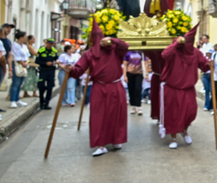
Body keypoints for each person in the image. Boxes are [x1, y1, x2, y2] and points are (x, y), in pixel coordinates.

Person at [64, 19, 129, 156]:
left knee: (117, 114)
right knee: (98, 116)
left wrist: (113, 40)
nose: (99, 40)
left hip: (116, 86)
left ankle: (116, 139)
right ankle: (101, 144)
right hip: (99, 87)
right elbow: (78, 70)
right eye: (96, 37)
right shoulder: (88, 54)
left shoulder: (115, 50)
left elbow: (125, 46)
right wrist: (70, 69)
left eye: (101, 36)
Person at [160, 25, 211, 149]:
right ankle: (173, 138)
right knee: (173, 114)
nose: (188, 44)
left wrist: (209, 64)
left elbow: (204, 65)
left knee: (190, 112)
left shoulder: (196, 52)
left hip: (188, 89)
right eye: (186, 41)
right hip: (172, 88)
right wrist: (176, 44)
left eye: (190, 42)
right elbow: (165, 55)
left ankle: (185, 130)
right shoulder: (175, 50)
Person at [35, 38, 58, 110]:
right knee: (41, 87)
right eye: (49, 43)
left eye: (52, 43)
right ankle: (41, 102)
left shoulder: (54, 51)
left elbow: (57, 59)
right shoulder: (41, 50)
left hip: (51, 71)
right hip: (43, 71)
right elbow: (37, 61)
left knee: (50, 87)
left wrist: (55, 62)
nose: (51, 45)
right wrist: (45, 63)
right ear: (46, 43)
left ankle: (46, 103)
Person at [9, 30, 29, 109]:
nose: (26, 38)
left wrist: (26, 62)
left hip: (24, 65)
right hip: (17, 65)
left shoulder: (24, 46)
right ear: (21, 37)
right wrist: (22, 63)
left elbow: (27, 55)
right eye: (25, 37)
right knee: (15, 83)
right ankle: (13, 100)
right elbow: (16, 56)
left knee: (21, 83)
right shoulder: (15, 45)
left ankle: (17, 99)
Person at [123, 49, 147, 115]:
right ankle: (133, 106)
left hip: (139, 73)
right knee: (131, 89)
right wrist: (125, 76)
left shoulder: (141, 53)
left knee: (138, 89)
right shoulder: (128, 53)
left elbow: (145, 63)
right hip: (130, 73)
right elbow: (125, 65)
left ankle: (139, 107)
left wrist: (146, 73)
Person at [0, 23, 13, 109]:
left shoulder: (8, 41)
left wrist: (10, 68)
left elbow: (9, 56)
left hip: (3, 65)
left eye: (10, 28)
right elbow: (2, 57)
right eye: (7, 27)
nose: (9, 29)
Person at [198, 35, 214, 112]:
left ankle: (211, 105)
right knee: (207, 91)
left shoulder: (210, 46)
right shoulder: (203, 47)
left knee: (211, 91)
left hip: (211, 75)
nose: (207, 54)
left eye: (205, 38)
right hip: (205, 75)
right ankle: (206, 105)